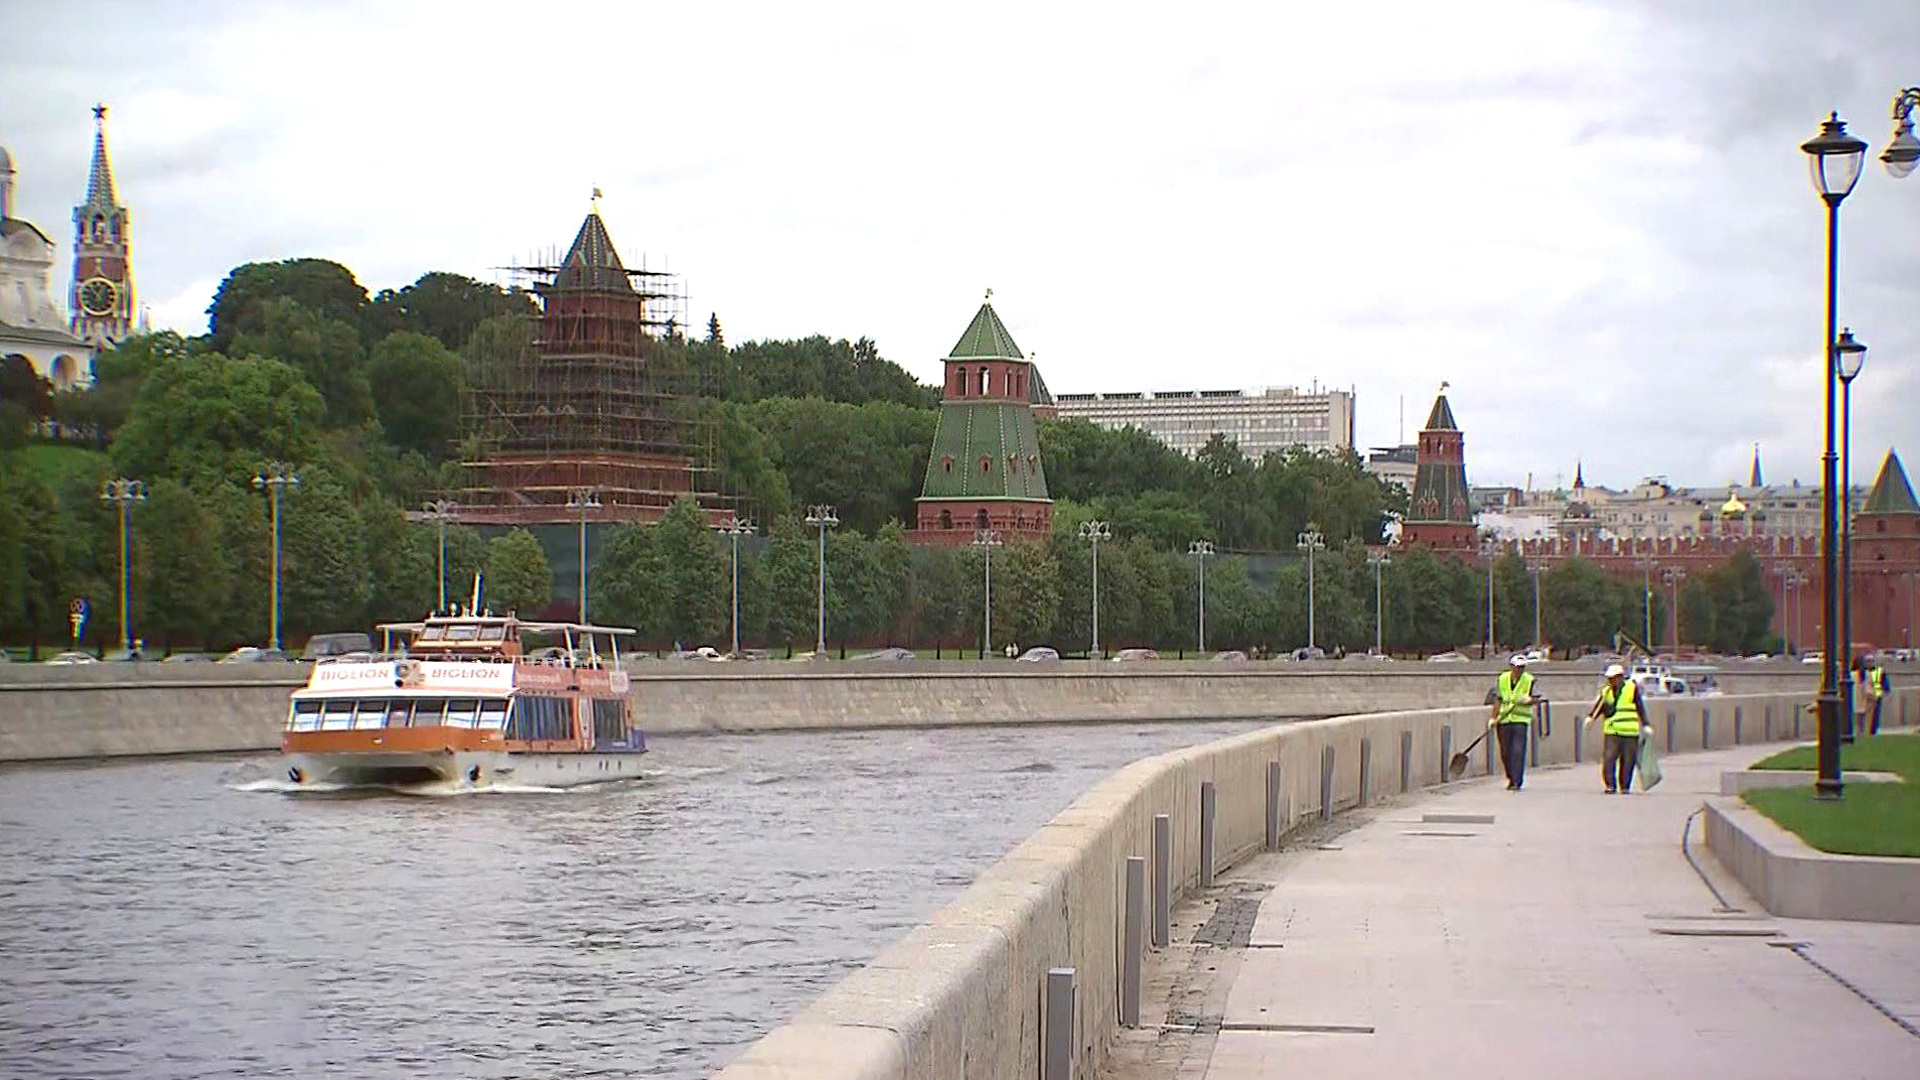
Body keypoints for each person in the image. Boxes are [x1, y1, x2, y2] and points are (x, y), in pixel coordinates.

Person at [1486, 654, 1542, 790]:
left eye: (1522, 668)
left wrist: (1528, 700)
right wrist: (1494, 717)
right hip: (1504, 719)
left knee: (1517, 751)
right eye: (1517, 667)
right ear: (1511, 667)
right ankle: (1511, 778)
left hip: (1520, 720)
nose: (1519, 670)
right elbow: (1498, 699)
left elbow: (1537, 698)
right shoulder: (1503, 679)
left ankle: (1517, 781)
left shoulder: (1529, 680)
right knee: (1505, 752)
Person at [1591, 663, 1645, 794]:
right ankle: (1610, 785)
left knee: (1628, 760)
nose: (1610, 681)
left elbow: (1640, 707)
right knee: (1609, 758)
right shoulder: (1606, 692)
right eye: (1609, 678)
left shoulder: (1632, 688)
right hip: (1612, 730)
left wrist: (1646, 724)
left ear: (1620, 677)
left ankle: (1625, 786)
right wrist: (1591, 717)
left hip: (1630, 730)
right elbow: (1600, 707)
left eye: (1612, 678)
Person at [1859, 654, 1890, 736]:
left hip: (1876, 694)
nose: (1869, 663)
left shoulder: (1879, 671)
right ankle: (1863, 730)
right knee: (1863, 713)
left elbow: (1884, 682)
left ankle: (1873, 730)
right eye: (1867, 661)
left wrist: (1884, 691)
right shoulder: (1861, 672)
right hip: (1863, 695)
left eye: (1871, 661)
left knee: (1875, 713)